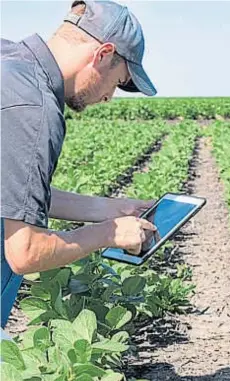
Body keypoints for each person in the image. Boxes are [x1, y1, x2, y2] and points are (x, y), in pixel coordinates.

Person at [0, 0, 158, 334]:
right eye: (118, 81)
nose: (109, 97)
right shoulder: (34, 108)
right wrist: (108, 234)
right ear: (103, 54)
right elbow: (25, 252)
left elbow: (14, 191)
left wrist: (111, 209)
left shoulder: (10, 63)